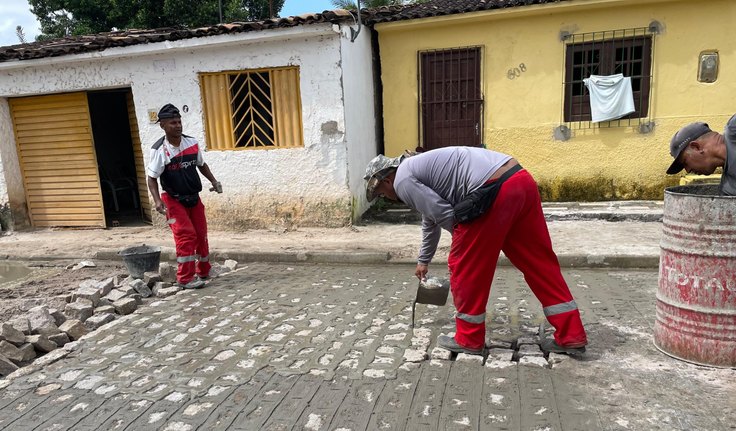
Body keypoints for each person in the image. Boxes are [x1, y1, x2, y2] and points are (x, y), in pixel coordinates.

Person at [364, 147, 588, 355]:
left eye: (382, 191)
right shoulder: (417, 168)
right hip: (520, 181)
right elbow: (430, 219)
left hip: (493, 191)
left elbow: (442, 214)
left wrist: (465, 244)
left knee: (464, 266)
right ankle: (571, 335)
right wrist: (424, 260)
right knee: (538, 262)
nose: (385, 196)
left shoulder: (402, 179)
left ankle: (468, 339)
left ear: (386, 178)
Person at [146, 104, 222, 289]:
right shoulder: (159, 150)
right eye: (173, 123)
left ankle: (203, 271)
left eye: (179, 122)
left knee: (201, 235)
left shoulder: (191, 143)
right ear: (162, 125)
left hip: (194, 197)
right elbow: (152, 178)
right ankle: (186, 278)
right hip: (173, 200)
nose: (178, 125)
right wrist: (157, 201)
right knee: (186, 236)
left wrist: (214, 181)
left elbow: (201, 164)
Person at [666, 116, 736, 195]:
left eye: (685, 162)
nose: (688, 170)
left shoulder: (733, 128)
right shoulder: (729, 187)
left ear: (696, 147)